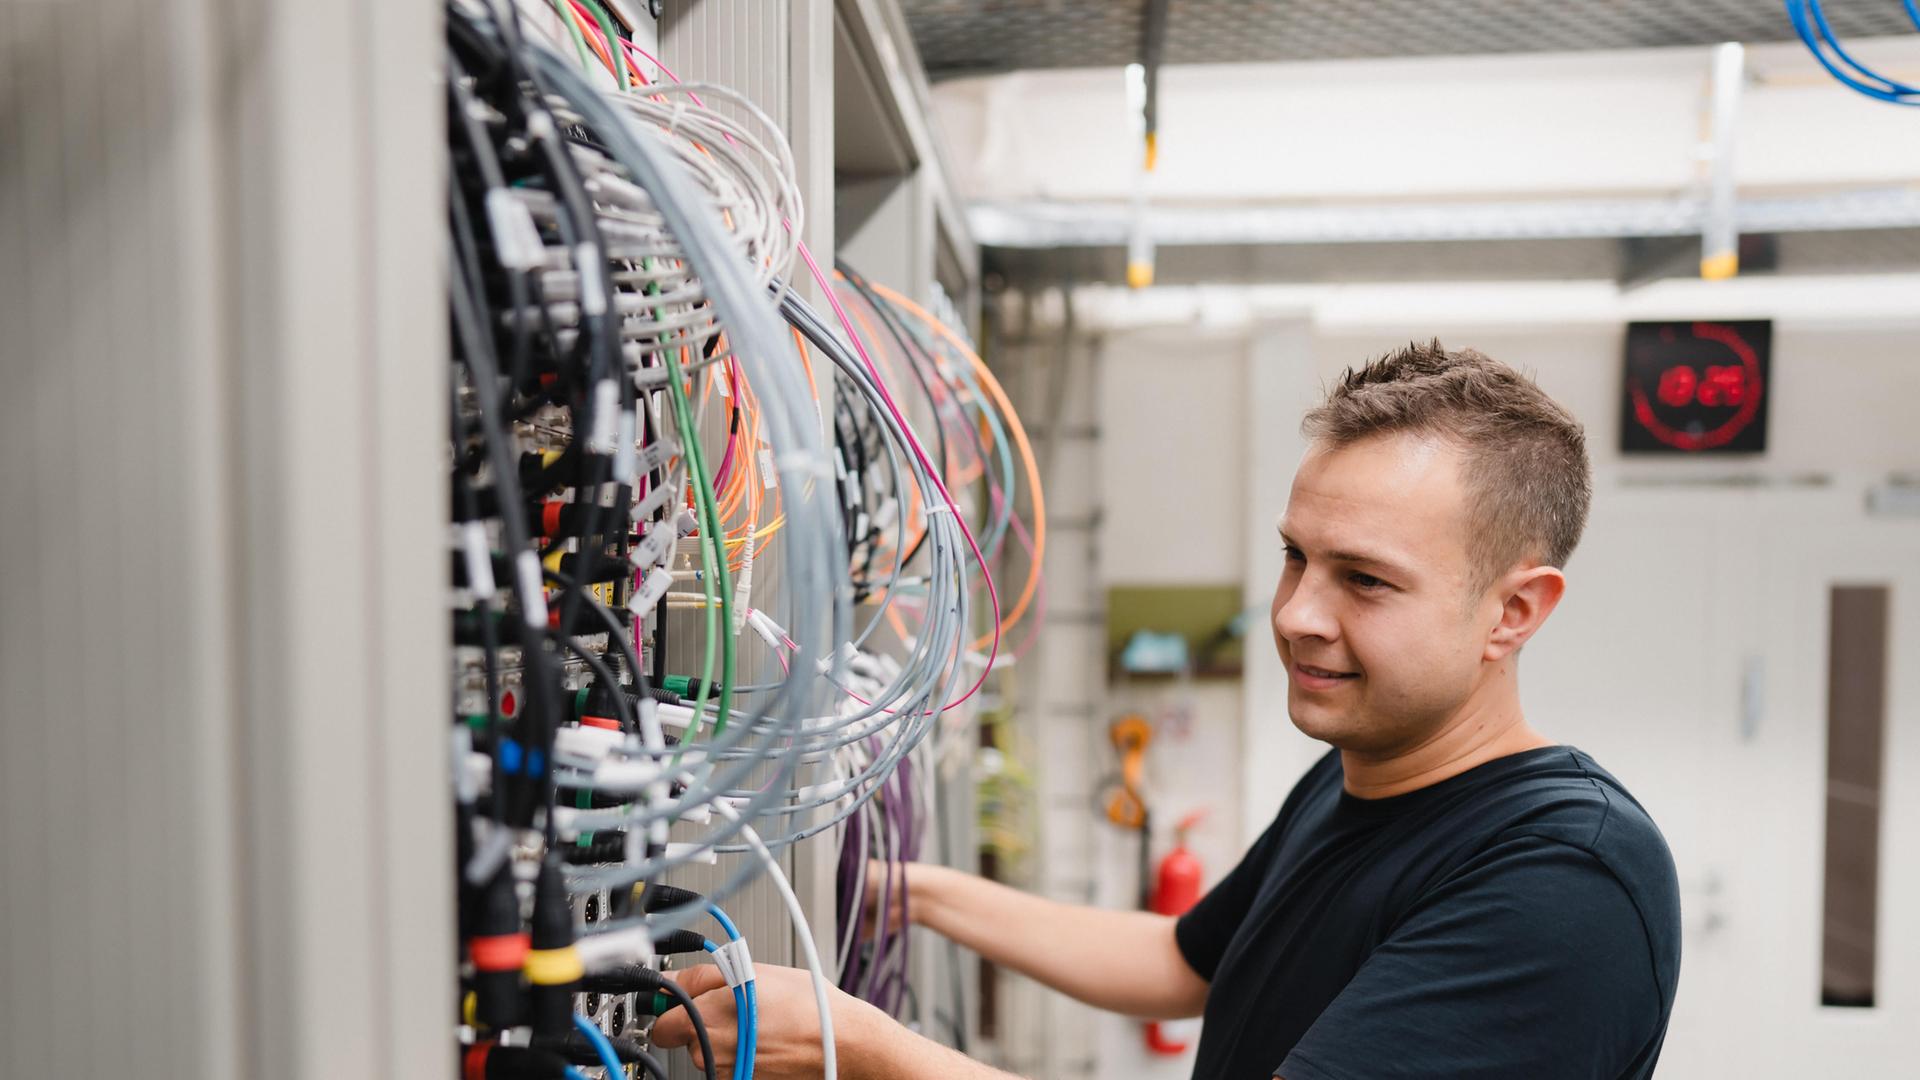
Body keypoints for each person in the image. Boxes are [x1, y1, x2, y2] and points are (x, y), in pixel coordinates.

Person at [652, 343, 1683, 1079]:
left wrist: (861, 1048)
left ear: (1514, 611)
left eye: (1365, 580)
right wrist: (902, 889)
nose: (1296, 615)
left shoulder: (1563, 879)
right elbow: (1182, 963)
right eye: (1296, 556)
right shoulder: (1364, 769)